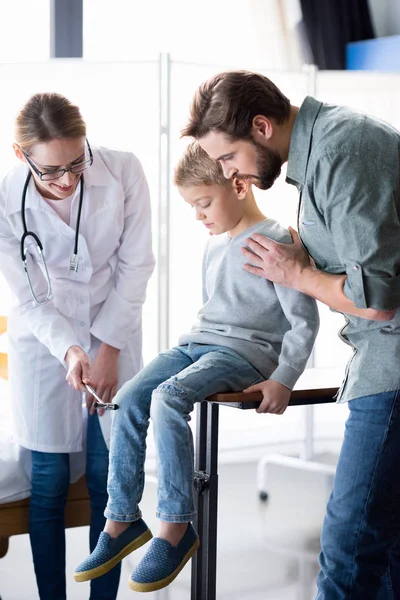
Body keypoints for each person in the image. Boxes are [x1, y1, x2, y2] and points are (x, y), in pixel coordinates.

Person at [182, 70, 400, 599]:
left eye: (229, 158)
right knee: (388, 552)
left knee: (348, 553)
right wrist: (308, 262)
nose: (230, 173)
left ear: (261, 126)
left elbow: (376, 302)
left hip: (392, 367)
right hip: (383, 365)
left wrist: (297, 274)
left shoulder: (339, 152)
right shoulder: (327, 149)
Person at [74, 141, 319, 593]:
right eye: (192, 206)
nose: (199, 215)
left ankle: (175, 526)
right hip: (198, 345)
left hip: (243, 354)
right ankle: (121, 519)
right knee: (127, 398)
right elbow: (215, 309)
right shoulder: (214, 246)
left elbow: (303, 320)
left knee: (169, 398)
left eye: (204, 203)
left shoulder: (275, 240)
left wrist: (285, 377)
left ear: (239, 184)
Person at [0, 92, 155, 600]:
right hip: (44, 350)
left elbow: (137, 267)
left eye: (76, 162)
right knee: (46, 483)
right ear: (22, 156)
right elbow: (28, 298)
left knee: (105, 480)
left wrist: (107, 347)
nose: (67, 180)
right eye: (51, 171)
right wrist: (71, 350)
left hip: (116, 329)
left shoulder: (124, 171)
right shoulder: (5, 196)